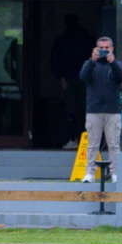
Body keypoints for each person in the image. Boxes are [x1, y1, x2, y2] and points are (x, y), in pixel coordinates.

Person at [79, 36, 122, 183]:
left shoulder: (117, 64)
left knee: (114, 145)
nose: (104, 51)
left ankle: (115, 173)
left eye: (107, 48)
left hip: (113, 111)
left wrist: (113, 62)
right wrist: (91, 60)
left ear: (112, 48)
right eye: (101, 48)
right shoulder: (90, 64)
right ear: (96, 49)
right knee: (92, 145)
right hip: (94, 111)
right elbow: (83, 77)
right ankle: (90, 174)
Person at [52, 14, 94, 148]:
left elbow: (56, 60)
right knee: (80, 109)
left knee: (72, 110)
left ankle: (75, 139)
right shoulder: (86, 38)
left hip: (72, 78)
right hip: (79, 79)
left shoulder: (63, 40)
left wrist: (61, 77)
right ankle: (82, 139)